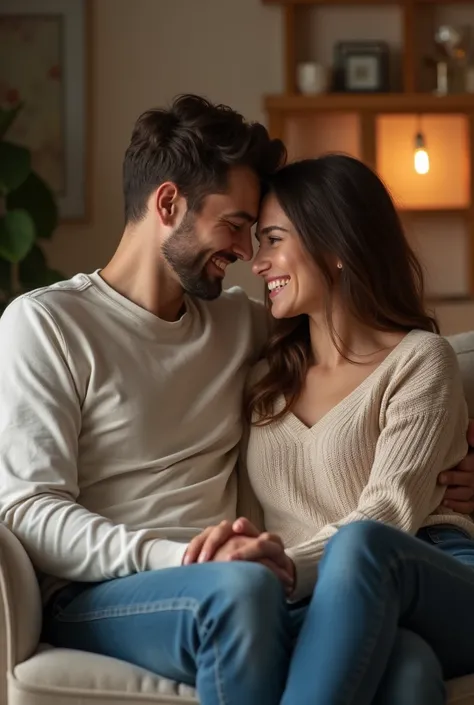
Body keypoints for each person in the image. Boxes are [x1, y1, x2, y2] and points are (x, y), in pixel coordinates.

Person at [0, 96, 472, 705]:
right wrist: (178, 558)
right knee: (244, 592)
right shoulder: (46, 325)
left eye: (261, 234)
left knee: (407, 662)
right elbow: (29, 507)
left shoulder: (243, 327)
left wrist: (453, 460)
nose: (249, 254)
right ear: (168, 204)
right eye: (237, 226)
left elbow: (371, 349)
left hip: (243, 570)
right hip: (114, 587)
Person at [187, 155, 474, 705]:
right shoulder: (265, 380)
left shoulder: (420, 361)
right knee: (408, 674)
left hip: (430, 568)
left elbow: (390, 513)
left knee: (364, 543)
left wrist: (282, 565)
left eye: (272, 240)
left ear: (335, 244)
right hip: (320, 600)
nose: (256, 262)